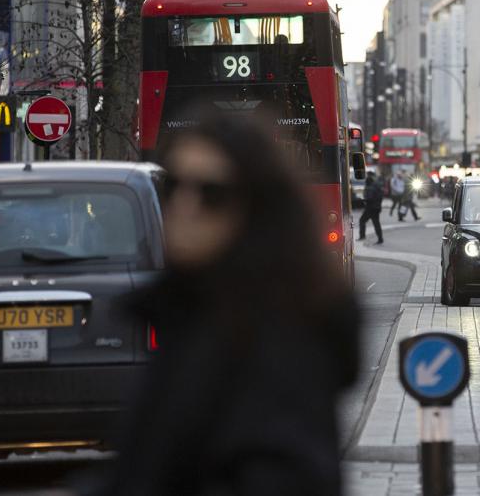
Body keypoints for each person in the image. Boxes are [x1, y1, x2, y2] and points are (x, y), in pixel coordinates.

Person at [94, 112, 359, 496]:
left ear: (254, 208)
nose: (185, 205)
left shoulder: (282, 337)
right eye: (173, 186)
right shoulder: (183, 313)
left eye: (211, 193)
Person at [358, 172, 384, 244]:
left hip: (370, 208)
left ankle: (362, 236)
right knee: (376, 223)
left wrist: (362, 201)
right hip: (376, 207)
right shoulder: (377, 185)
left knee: (362, 221)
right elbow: (381, 196)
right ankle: (380, 238)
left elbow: (369, 198)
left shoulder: (370, 187)